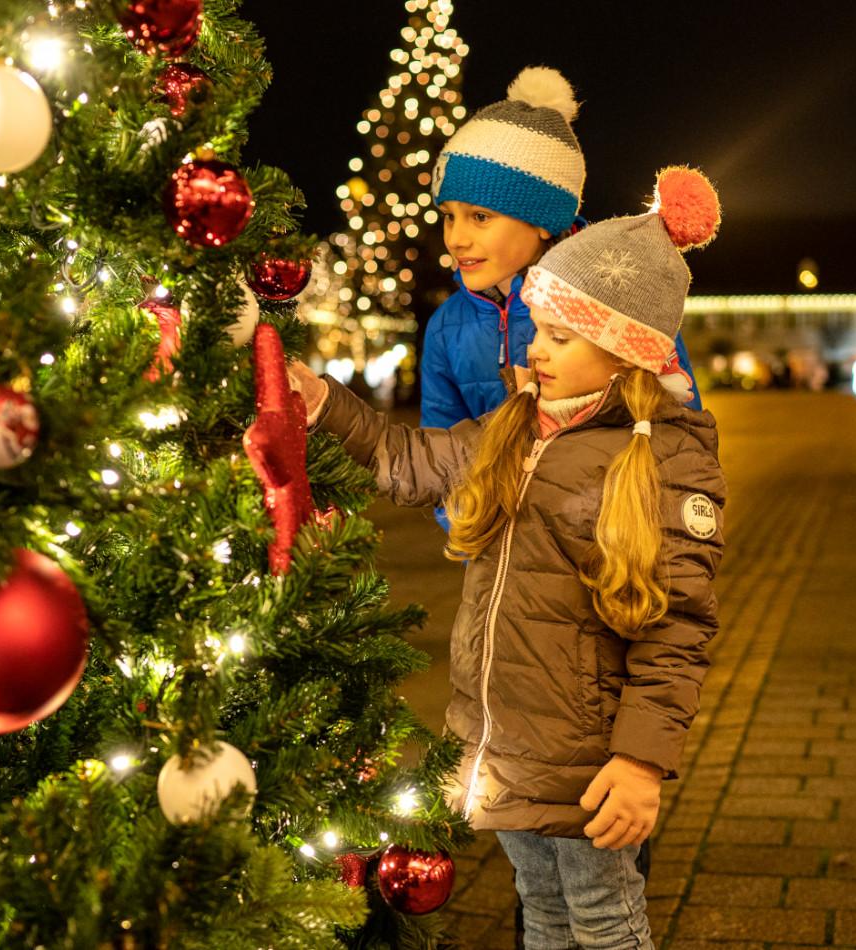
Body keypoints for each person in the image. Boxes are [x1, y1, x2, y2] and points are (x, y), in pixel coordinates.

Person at [289, 168, 726, 948]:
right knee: (543, 912)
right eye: (538, 330)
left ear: (625, 355)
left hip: (589, 760)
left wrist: (639, 762)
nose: (538, 349)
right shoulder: (516, 426)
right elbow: (406, 458)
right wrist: (325, 404)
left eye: (561, 335)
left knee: (604, 920)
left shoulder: (664, 459)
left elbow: (677, 632)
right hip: (501, 742)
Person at [421, 66, 702, 534]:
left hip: (609, 553)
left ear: (542, 220)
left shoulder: (615, 299)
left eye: (480, 217)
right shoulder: (447, 328)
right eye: (449, 217)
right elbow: (438, 454)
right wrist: (467, 524)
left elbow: (679, 430)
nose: (456, 238)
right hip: (502, 560)